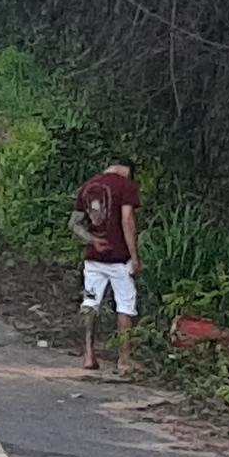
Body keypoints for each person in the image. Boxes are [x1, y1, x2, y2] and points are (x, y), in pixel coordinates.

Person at [68, 158, 142, 373]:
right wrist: (134, 256)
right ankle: (124, 360)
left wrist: (93, 240)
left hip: (93, 259)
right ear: (127, 171)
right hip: (119, 259)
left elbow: (74, 224)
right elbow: (127, 220)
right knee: (125, 306)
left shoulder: (88, 186)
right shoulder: (125, 185)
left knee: (90, 303)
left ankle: (88, 355)